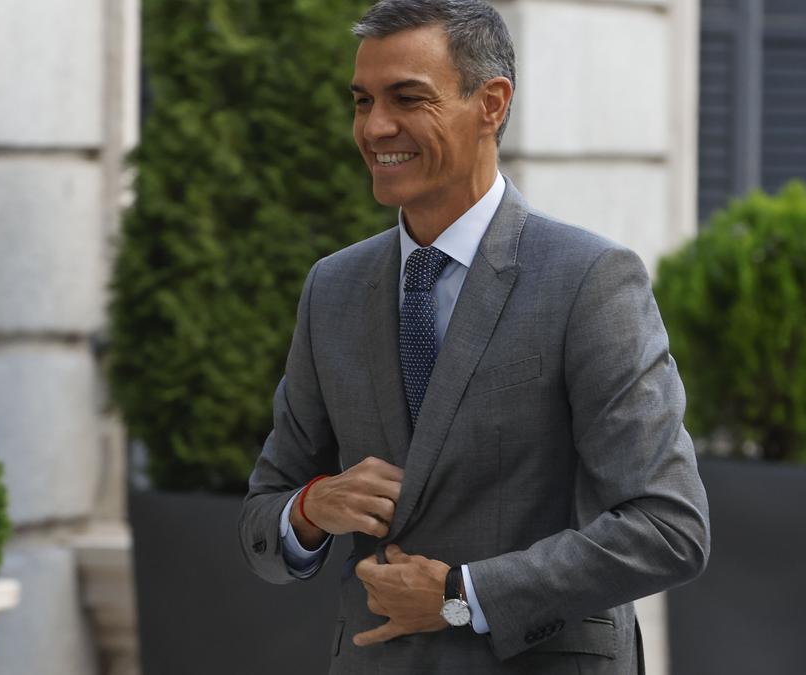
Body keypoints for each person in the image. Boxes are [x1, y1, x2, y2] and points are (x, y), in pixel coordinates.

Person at [237, 0, 710, 672]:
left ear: (491, 104)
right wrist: (311, 508)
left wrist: (463, 595)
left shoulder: (590, 280)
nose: (375, 126)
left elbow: (669, 528)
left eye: (408, 98)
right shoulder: (332, 288)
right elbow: (263, 517)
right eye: (363, 100)